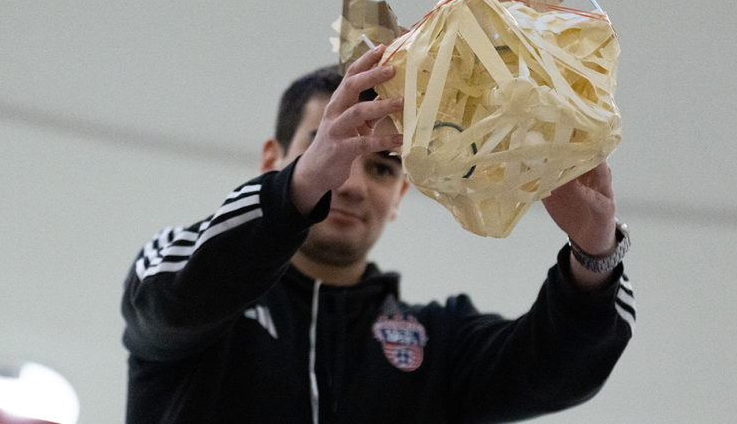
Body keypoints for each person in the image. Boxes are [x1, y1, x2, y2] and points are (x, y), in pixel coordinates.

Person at [121, 45, 635, 423]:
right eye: (330, 148)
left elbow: (560, 371)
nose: (350, 184)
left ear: (400, 199)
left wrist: (595, 253)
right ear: (272, 161)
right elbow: (168, 305)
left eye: (384, 168)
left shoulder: (436, 343)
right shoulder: (180, 271)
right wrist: (297, 190)